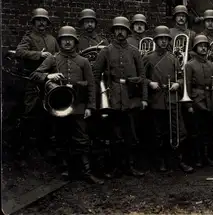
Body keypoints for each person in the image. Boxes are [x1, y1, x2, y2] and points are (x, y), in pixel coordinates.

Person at [30, 26, 103, 184]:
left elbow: (91, 85)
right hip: (59, 106)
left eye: (71, 39)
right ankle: (65, 170)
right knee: (61, 138)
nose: (67, 42)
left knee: (82, 139)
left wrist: (90, 107)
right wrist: (49, 75)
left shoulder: (83, 61)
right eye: (64, 39)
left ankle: (86, 171)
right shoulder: (53, 58)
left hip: (78, 106)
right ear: (60, 41)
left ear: (76, 42)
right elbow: (34, 75)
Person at [92, 16, 147, 178]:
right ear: (113, 32)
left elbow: (142, 76)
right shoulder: (106, 51)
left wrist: (143, 98)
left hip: (131, 97)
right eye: (117, 29)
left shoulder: (134, 51)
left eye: (123, 30)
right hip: (112, 97)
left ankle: (130, 166)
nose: (120, 32)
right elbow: (95, 75)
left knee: (131, 135)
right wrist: (97, 98)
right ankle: (114, 167)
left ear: (127, 32)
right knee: (114, 135)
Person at [143, 26, 194, 173]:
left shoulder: (173, 58)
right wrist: (150, 83)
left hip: (172, 99)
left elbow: (180, 77)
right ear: (156, 40)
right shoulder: (148, 58)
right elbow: (141, 78)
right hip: (157, 100)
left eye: (166, 39)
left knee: (178, 132)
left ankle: (178, 161)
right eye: (161, 39)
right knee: (159, 133)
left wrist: (178, 83)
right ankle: (161, 162)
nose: (164, 41)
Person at [15, 8, 59, 160]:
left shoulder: (53, 39)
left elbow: (58, 57)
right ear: (33, 22)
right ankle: (24, 149)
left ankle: (44, 147)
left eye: (44, 20)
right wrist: (39, 54)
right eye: (38, 20)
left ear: (47, 23)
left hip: (49, 81)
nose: (41, 23)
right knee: (29, 113)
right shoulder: (29, 37)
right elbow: (19, 52)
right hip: (32, 81)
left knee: (48, 113)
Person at [185, 35, 213, 167]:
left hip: (210, 99)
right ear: (195, 48)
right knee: (195, 131)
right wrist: (189, 104)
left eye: (205, 46)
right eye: (200, 46)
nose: (203, 48)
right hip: (196, 100)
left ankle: (206, 157)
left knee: (208, 130)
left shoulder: (211, 64)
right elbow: (187, 85)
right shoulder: (189, 65)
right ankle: (197, 158)